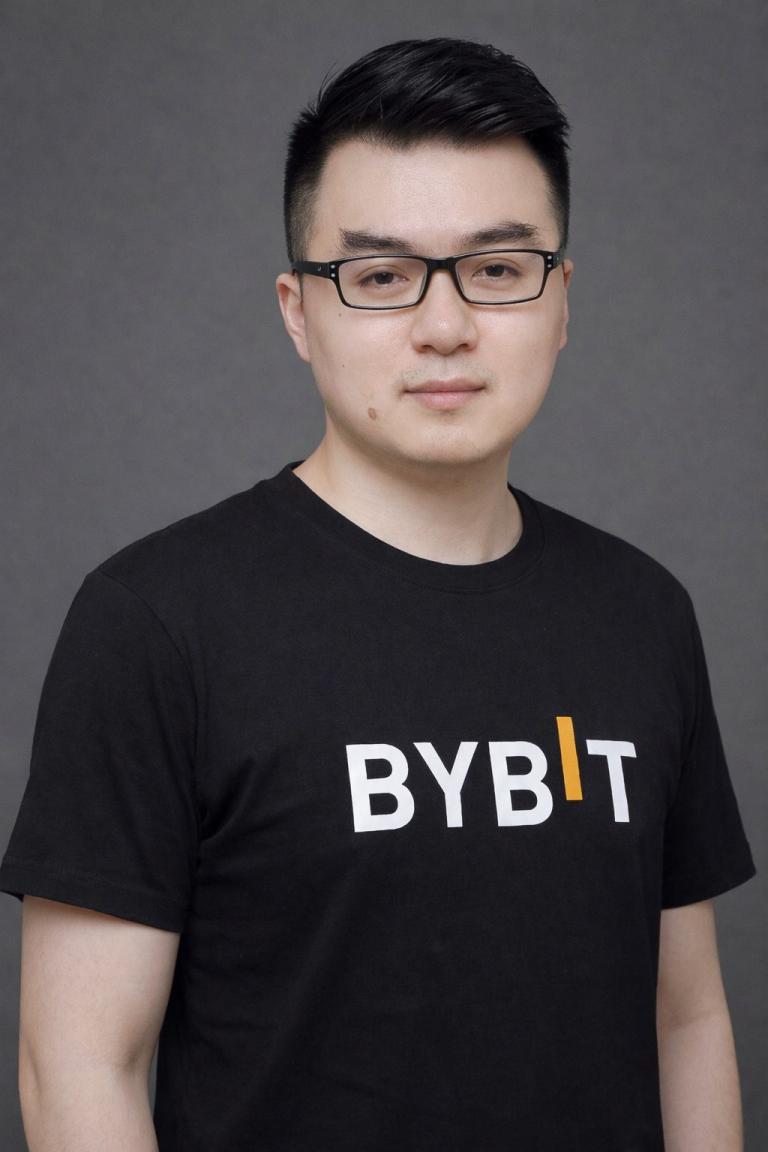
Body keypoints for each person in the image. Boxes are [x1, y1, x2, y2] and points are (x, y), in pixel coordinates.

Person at [0, 36, 756, 1152]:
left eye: (497, 269)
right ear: (299, 312)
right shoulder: (158, 622)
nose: (445, 326)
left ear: (561, 301)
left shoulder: (643, 614)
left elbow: (685, 1019)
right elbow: (76, 1070)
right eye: (381, 277)